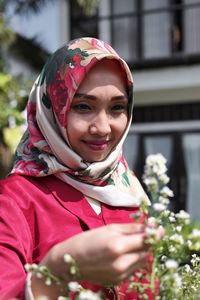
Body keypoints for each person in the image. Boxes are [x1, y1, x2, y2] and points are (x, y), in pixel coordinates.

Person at [0, 37, 160, 300]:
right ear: (52, 108)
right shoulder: (14, 201)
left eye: (117, 108)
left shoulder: (129, 192)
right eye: (83, 106)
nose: (103, 128)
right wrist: (54, 273)